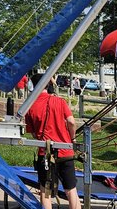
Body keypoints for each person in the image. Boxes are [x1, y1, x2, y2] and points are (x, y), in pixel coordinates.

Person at [25, 76, 80, 209]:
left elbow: (33, 133)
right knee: (71, 190)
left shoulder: (30, 105)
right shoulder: (59, 101)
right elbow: (71, 122)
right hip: (65, 152)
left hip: (45, 153)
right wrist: (72, 138)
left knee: (46, 192)